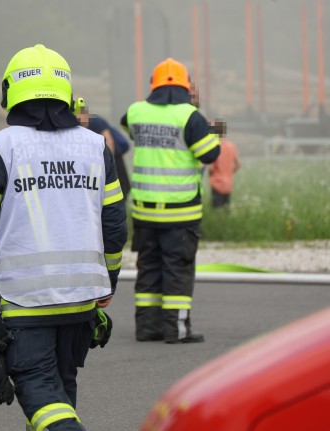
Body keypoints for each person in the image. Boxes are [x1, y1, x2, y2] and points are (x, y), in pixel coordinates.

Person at [0, 44, 127, 430]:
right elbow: (114, 227)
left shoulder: (0, 147)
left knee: (39, 388)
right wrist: (108, 280)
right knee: (62, 386)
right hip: (81, 299)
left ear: (10, 92)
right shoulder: (96, 146)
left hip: (27, 302)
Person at [121, 57, 220, 344]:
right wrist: (208, 127)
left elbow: (127, 125)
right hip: (180, 212)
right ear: (186, 88)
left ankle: (147, 327)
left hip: (144, 212)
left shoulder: (136, 111)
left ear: (153, 86)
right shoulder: (190, 116)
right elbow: (210, 155)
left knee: (149, 266)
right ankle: (176, 328)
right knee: (177, 268)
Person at [77, 107, 131, 199]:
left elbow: (109, 144)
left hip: (114, 159)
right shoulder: (80, 125)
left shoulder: (96, 122)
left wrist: (108, 167)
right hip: (103, 161)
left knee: (118, 192)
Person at [208, 120, 241, 208]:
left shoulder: (214, 147)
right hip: (228, 185)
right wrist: (229, 172)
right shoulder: (231, 146)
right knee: (226, 211)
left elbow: (211, 168)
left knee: (217, 212)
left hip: (217, 184)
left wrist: (210, 175)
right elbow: (238, 165)